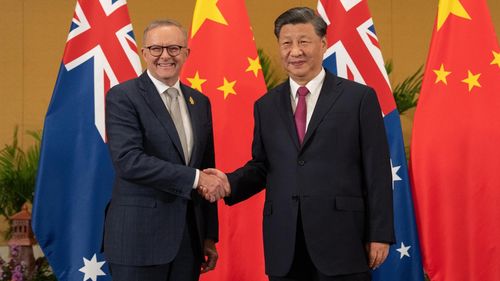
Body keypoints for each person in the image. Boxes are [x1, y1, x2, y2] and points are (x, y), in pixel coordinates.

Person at [205, 7, 395, 281]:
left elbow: (377, 170)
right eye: (287, 43)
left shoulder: (359, 98)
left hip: (343, 239)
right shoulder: (266, 105)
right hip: (285, 242)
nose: (295, 51)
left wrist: (379, 234)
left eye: (304, 42)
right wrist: (228, 182)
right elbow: (262, 166)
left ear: (323, 44)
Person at [103, 19, 229, 281]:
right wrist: (195, 179)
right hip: (138, 241)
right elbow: (129, 161)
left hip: (188, 242)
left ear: (185, 53)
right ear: (144, 53)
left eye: (173, 48)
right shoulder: (123, 97)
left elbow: (207, 166)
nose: (165, 56)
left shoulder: (200, 102)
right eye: (156, 48)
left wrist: (208, 235)